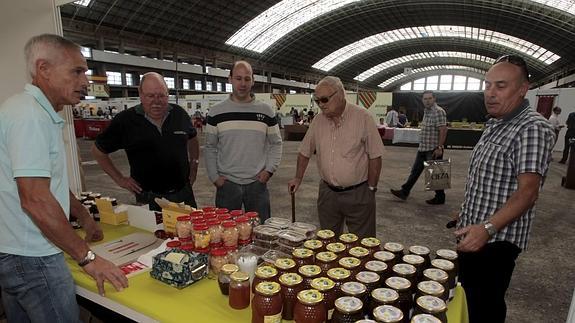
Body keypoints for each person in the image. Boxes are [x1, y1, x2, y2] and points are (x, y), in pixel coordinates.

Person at [0, 34, 128, 322]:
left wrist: (83, 215)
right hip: (35, 259)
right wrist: (88, 258)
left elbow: (47, 182)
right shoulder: (30, 117)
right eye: (77, 71)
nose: (86, 82)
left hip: (18, 253)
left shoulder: (31, 112)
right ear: (43, 69)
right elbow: (34, 199)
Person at [454, 55, 555, 323]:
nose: (490, 93)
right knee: (467, 301)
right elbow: (489, 179)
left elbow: (528, 193)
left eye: (500, 86)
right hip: (475, 231)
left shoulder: (531, 128)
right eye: (487, 85)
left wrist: (486, 228)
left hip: (497, 241)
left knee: (485, 307)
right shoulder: (495, 123)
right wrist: (466, 211)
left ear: (523, 89)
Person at [288, 76, 384, 238]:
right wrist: (298, 178)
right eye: (317, 101)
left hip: (358, 192)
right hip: (328, 194)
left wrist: (371, 189)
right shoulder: (318, 121)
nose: (321, 105)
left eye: (324, 100)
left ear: (340, 95)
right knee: (328, 242)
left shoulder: (363, 118)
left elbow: (375, 156)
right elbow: (304, 151)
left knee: (363, 243)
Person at [92, 72, 199, 211]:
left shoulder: (179, 114)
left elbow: (192, 137)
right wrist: (120, 179)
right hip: (148, 197)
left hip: (184, 194)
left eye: (161, 95)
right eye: (150, 96)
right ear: (140, 95)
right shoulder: (125, 121)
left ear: (168, 95)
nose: (156, 101)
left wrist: (194, 163)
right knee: (153, 232)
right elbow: (98, 151)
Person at [204, 61, 282, 223]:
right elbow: (210, 146)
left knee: (261, 232)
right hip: (227, 185)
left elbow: (276, 143)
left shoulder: (266, 111)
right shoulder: (216, 112)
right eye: (238, 78)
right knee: (227, 234)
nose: (243, 83)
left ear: (253, 81)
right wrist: (214, 177)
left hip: (257, 184)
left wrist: (268, 171)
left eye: (247, 79)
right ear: (230, 79)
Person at [390, 91, 447, 204]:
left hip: (433, 148)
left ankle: (440, 197)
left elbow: (443, 130)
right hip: (423, 148)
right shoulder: (426, 111)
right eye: (425, 99)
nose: (427, 101)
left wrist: (439, 147)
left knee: (436, 174)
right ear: (422, 100)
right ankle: (404, 191)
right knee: (415, 172)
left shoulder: (439, 112)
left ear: (434, 99)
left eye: (430, 98)